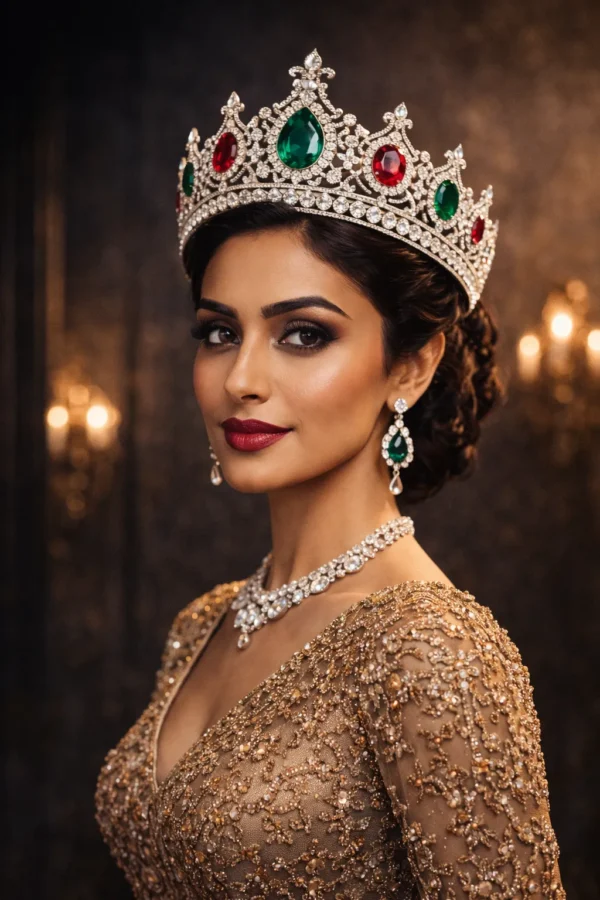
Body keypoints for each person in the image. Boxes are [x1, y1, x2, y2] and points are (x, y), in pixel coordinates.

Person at [95, 50, 565, 898]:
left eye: (303, 333)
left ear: (411, 368)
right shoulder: (201, 623)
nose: (242, 378)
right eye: (218, 332)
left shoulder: (433, 651)